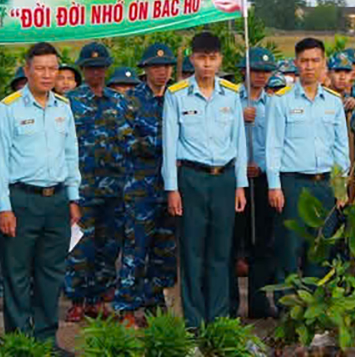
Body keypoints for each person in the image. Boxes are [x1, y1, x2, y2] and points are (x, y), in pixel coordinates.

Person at [0, 42, 81, 345]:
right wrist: (4, 207)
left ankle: (46, 341)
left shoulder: (63, 107)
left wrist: (73, 197)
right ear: (27, 70)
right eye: (39, 68)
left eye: (52, 68)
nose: (46, 74)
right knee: (16, 275)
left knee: (51, 274)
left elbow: (71, 155)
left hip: (56, 201)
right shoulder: (8, 108)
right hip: (21, 200)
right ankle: (20, 342)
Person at [162, 32, 247, 329]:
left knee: (221, 253)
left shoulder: (231, 94)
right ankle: (194, 324)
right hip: (192, 180)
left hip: (224, 179)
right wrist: (172, 189)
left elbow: (239, 143)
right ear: (192, 59)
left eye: (212, 58)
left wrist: (240, 186)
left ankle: (219, 321)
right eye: (201, 58)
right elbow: (170, 146)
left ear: (220, 59)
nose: (207, 64)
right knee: (193, 252)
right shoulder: (176, 95)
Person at [265, 38, 349, 285]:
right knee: (289, 247)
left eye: (315, 61)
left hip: (325, 184)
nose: (309, 66)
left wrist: (340, 188)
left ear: (324, 64)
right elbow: (273, 145)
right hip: (293, 185)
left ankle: (316, 307)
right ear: (296, 64)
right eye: (304, 61)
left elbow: (340, 148)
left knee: (321, 247)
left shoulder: (333, 102)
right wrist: (274, 186)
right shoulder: (282, 100)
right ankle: (287, 308)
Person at [64, 43, 133, 322]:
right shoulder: (70, 101)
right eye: (91, 68)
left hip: (115, 188)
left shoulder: (119, 101)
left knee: (109, 246)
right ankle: (78, 300)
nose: (97, 72)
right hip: (83, 189)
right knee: (80, 247)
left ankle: (102, 297)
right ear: (83, 70)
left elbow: (130, 140)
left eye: (101, 67)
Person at [115, 43, 177, 327]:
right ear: (145, 69)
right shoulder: (130, 101)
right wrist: (168, 144)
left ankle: (154, 304)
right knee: (135, 249)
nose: (162, 71)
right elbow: (128, 142)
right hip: (141, 188)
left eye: (166, 66)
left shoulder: (178, 97)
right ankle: (127, 307)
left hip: (171, 188)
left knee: (164, 250)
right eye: (155, 66)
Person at [231, 47, 276, 319]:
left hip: (262, 179)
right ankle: (230, 303)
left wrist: (264, 167)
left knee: (263, 242)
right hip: (235, 181)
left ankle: (259, 303)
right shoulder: (229, 98)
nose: (260, 76)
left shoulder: (274, 104)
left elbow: (277, 143)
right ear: (243, 71)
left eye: (265, 71)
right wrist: (239, 118)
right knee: (233, 242)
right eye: (255, 70)